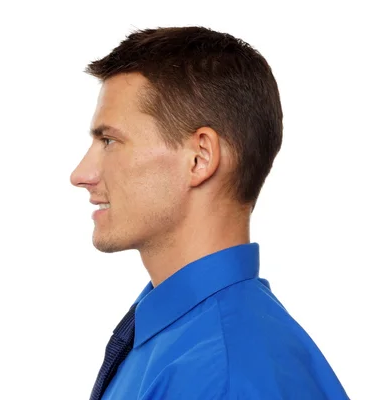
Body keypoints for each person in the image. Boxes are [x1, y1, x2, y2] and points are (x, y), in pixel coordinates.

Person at [69, 26, 349, 399]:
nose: (81, 175)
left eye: (109, 141)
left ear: (200, 157)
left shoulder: (223, 376)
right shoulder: (183, 340)